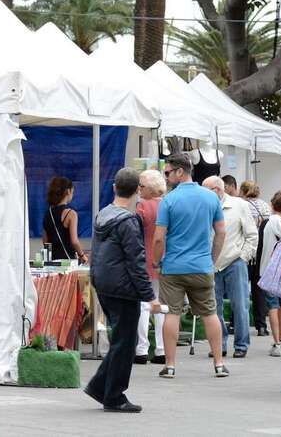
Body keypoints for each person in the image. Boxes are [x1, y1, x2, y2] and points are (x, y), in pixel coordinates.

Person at [86, 168, 161, 413]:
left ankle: (100, 387)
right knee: (125, 343)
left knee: (120, 340)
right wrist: (150, 296)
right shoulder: (128, 221)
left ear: (114, 187)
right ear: (138, 190)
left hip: (104, 284)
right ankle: (114, 395)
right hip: (122, 288)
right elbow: (136, 262)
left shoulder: (102, 216)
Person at [153, 154, 229, 379]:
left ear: (179, 172)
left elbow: (159, 238)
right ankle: (219, 363)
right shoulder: (211, 198)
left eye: (167, 172)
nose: (166, 177)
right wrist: (212, 259)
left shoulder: (169, 200)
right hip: (202, 266)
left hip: (174, 267)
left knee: (172, 314)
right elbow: (221, 232)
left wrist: (157, 262)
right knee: (210, 313)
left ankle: (170, 365)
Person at [203, 176, 258, 358]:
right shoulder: (205, 206)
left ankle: (241, 345)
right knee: (214, 307)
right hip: (211, 263)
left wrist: (243, 257)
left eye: (207, 190)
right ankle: (220, 344)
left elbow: (251, 234)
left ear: (218, 190)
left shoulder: (239, 205)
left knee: (240, 305)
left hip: (234, 261)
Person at [135, 170, 167, 365]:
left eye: (142, 186)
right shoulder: (168, 204)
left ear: (151, 188)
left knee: (143, 304)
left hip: (145, 259)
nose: (139, 189)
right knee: (161, 305)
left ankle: (141, 349)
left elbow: (135, 233)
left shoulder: (142, 206)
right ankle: (162, 350)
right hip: (165, 260)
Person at [259, 191, 281, 356]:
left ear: (272, 204)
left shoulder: (269, 222)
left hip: (269, 269)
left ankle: (277, 341)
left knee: (272, 306)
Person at [240, 180, 271, 337]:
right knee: (259, 289)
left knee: (240, 288)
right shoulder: (265, 206)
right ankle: (261, 325)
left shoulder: (241, 205)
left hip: (245, 249)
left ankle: (237, 323)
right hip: (261, 250)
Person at [42, 177, 88, 263]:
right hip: (68, 260)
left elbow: (45, 242)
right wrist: (82, 255)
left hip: (52, 261)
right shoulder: (71, 214)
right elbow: (74, 241)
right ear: (68, 191)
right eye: (72, 192)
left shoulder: (47, 214)